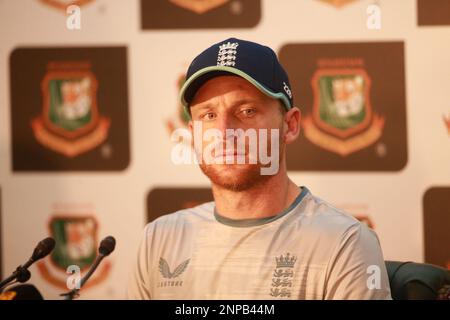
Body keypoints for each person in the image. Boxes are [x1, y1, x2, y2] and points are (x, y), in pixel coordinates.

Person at [128, 38, 391, 300]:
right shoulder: (158, 239)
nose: (223, 132)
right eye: (208, 115)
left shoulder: (344, 243)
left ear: (290, 125)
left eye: (246, 111)